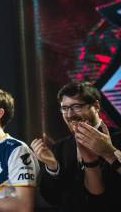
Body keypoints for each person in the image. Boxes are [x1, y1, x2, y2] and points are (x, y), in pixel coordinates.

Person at [31, 82, 121, 211]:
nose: (69, 115)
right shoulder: (59, 148)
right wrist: (52, 167)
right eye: (65, 108)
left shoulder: (118, 139)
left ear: (96, 106)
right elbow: (52, 198)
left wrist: (109, 153)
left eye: (76, 106)